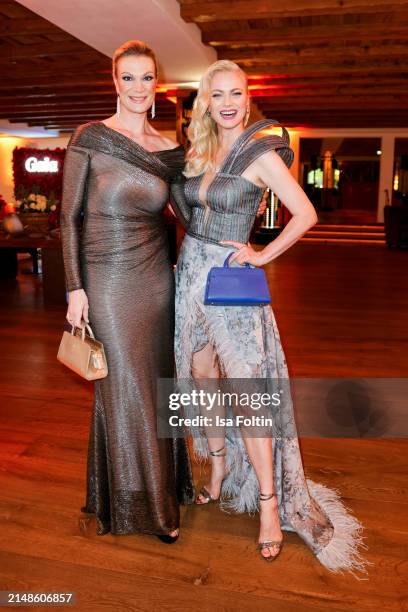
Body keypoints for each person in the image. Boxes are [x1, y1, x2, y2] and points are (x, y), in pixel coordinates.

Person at [170, 59, 368, 573]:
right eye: (219, 95)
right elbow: (187, 207)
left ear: (248, 96)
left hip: (231, 281)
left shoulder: (260, 153)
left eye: (237, 93)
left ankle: (270, 504)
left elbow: (306, 214)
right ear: (206, 102)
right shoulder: (200, 148)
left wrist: (261, 253)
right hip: (190, 273)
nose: (229, 103)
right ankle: (216, 467)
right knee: (200, 376)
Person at [60, 40, 195, 543]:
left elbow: (189, 215)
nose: (138, 88)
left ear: (156, 84)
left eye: (146, 78)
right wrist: (76, 288)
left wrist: (235, 222)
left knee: (157, 384)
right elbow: (68, 219)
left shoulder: (168, 150)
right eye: (129, 78)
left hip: (157, 280)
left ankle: (150, 491)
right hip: (106, 281)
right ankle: (150, 509)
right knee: (125, 386)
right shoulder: (92, 137)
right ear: (115, 82)